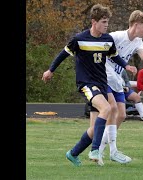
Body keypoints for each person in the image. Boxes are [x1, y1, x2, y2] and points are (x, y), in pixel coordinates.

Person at [41, 4, 137, 167]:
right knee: (107, 109)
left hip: (102, 84)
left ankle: (73, 153)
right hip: (86, 84)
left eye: (107, 22)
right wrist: (50, 70)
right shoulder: (79, 39)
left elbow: (114, 56)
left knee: (94, 129)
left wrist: (126, 65)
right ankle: (95, 151)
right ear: (94, 22)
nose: (107, 25)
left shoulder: (107, 40)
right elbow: (62, 54)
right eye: (104, 22)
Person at [91, 10, 143, 163]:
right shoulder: (116, 36)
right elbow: (98, 50)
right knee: (113, 111)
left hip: (117, 80)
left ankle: (107, 151)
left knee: (122, 115)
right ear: (135, 25)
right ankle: (104, 151)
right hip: (104, 78)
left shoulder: (137, 41)